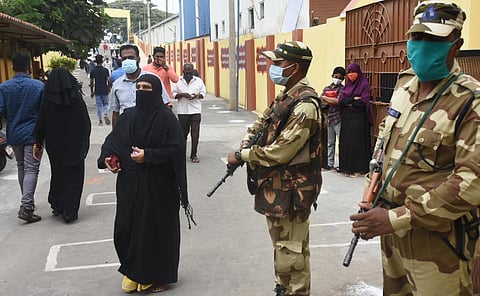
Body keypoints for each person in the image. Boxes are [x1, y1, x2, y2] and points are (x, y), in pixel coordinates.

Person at [350, 1, 480, 295]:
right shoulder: (405, 84)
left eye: (433, 39)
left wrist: (395, 219)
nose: (421, 46)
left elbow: (472, 184)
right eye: (416, 37)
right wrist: (374, 197)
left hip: (440, 245)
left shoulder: (470, 101)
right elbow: (386, 146)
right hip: (393, 239)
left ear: (455, 45)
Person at [227, 41, 323, 296]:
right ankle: (285, 288)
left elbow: (282, 151)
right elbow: (262, 123)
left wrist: (243, 154)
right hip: (277, 189)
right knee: (283, 248)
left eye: (278, 64)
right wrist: (249, 139)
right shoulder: (285, 96)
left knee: (291, 253)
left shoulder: (305, 105)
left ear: (295, 67)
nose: (273, 68)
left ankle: (295, 291)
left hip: (292, 192)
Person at [98, 74, 193, 293]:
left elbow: (176, 149)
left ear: (157, 90)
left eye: (147, 87)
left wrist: (148, 156)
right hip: (129, 185)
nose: (142, 90)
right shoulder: (129, 116)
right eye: (139, 87)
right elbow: (113, 141)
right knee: (126, 229)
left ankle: (158, 276)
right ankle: (134, 271)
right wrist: (108, 158)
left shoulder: (167, 118)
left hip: (159, 186)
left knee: (154, 231)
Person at [33, 68, 91, 223]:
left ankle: (57, 204)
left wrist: (38, 142)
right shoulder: (77, 99)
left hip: (55, 146)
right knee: (75, 177)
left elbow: (41, 123)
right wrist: (85, 141)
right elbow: (86, 123)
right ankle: (70, 211)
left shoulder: (47, 100)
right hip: (75, 145)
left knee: (58, 174)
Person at [0, 52, 44, 223]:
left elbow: (1, 110)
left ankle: (28, 201)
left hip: (14, 133)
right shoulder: (38, 86)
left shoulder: (4, 87)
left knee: (21, 167)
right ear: (28, 67)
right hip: (33, 134)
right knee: (32, 168)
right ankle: (26, 206)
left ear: (12, 67)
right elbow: (44, 111)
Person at [110, 44, 170, 129]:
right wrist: (116, 136)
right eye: (124, 58)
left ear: (138, 59)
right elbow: (115, 114)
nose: (127, 61)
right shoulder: (117, 85)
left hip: (150, 129)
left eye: (131, 58)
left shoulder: (153, 79)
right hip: (127, 130)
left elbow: (166, 106)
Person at [338, 63, 372, 177]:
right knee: (346, 142)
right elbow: (342, 100)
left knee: (357, 143)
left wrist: (350, 102)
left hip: (359, 118)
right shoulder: (346, 86)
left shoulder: (364, 84)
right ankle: (347, 168)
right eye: (349, 72)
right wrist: (353, 99)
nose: (351, 75)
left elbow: (363, 102)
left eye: (353, 72)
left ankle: (359, 169)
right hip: (347, 118)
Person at [172, 63, 207, 163]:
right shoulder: (178, 81)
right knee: (182, 134)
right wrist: (182, 94)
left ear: (193, 71)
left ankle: (194, 154)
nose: (188, 74)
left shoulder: (198, 81)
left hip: (195, 110)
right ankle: (181, 154)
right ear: (183, 72)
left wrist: (196, 96)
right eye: (186, 73)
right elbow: (173, 94)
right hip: (183, 111)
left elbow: (203, 93)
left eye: (190, 72)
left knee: (195, 133)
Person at [320, 66, 346, 171]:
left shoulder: (343, 89)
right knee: (330, 142)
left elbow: (338, 102)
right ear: (332, 76)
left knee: (342, 142)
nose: (337, 79)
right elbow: (321, 101)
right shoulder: (326, 88)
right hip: (328, 118)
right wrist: (331, 100)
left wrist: (326, 99)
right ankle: (329, 163)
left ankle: (342, 164)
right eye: (336, 77)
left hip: (338, 118)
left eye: (340, 78)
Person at [90, 54, 111, 126]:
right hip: (104, 89)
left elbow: (91, 82)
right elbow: (109, 80)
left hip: (97, 90)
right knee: (106, 104)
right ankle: (105, 113)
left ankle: (100, 121)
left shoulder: (93, 71)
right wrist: (109, 88)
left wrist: (92, 91)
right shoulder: (105, 70)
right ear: (102, 61)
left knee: (99, 106)